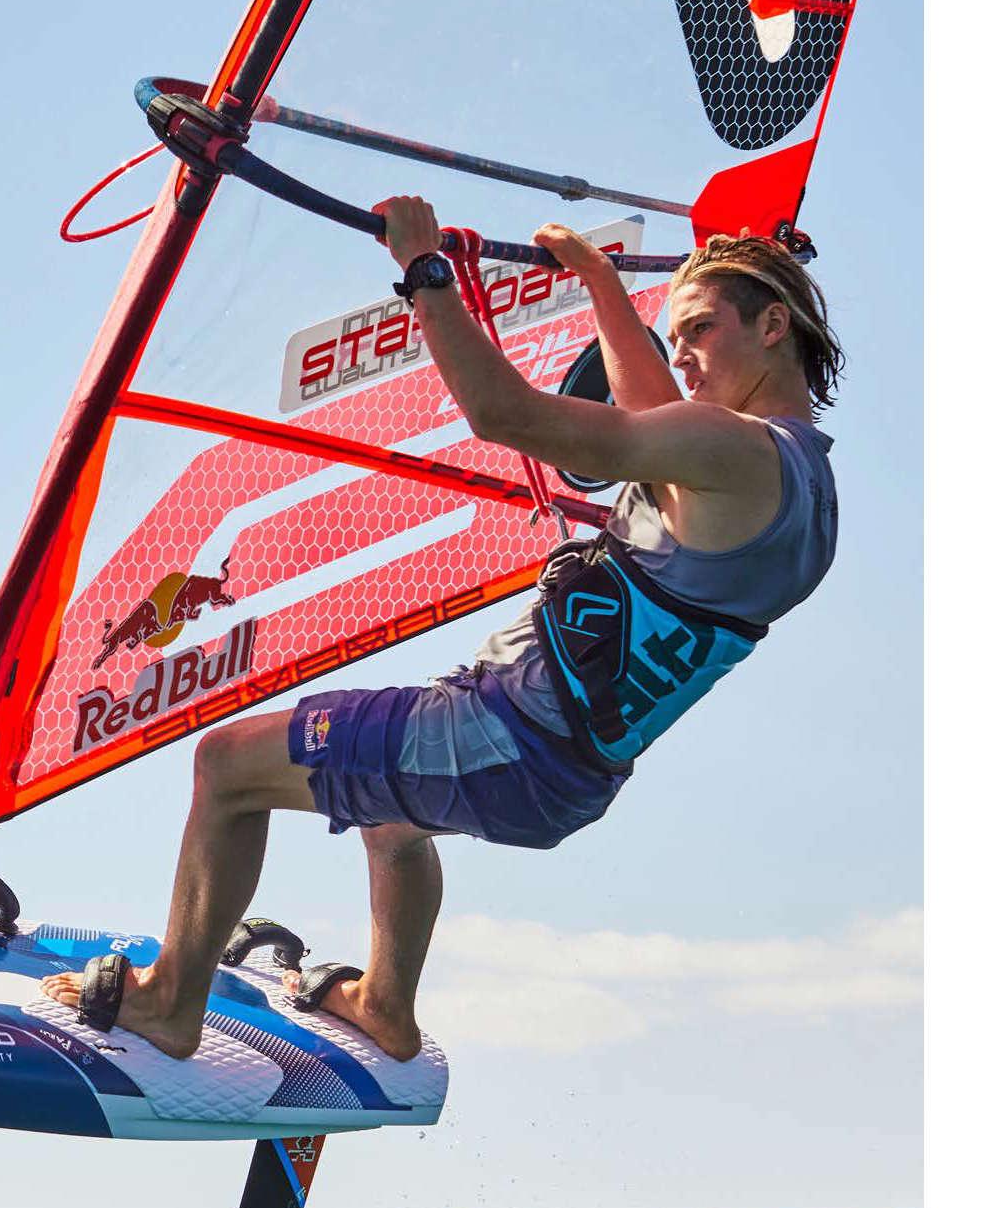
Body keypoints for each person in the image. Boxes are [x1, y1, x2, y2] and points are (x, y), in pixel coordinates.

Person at [41, 193, 844, 1062]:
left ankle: (168, 1003)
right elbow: (648, 404)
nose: (679, 354)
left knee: (227, 765)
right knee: (394, 813)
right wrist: (601, 284)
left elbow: (509, 418)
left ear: (772, 326)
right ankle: (384, 1005)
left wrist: (423, 272)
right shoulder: (802, 488)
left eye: (698, 330)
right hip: (571, 772)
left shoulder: (732, 447)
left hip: (501, 734)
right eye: (674, 334)